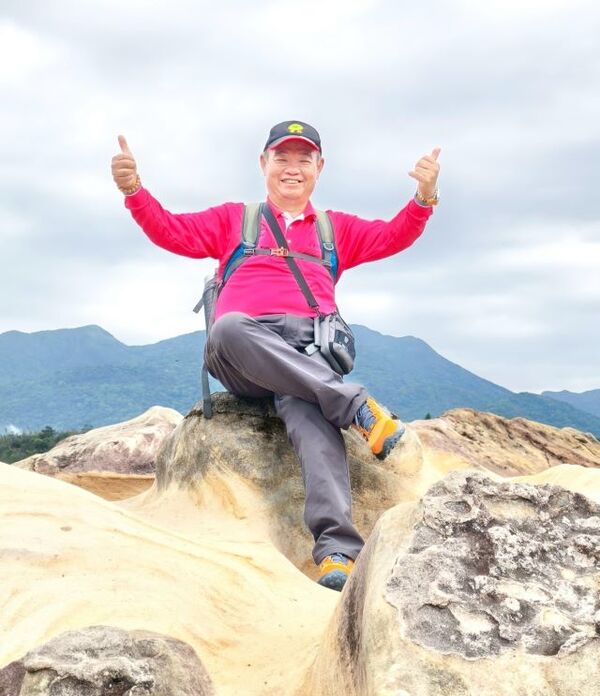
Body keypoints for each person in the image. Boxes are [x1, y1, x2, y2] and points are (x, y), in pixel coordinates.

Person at [111, 121, 440, 591]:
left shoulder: (334, 229)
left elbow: (393, 235)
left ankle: (339, 552)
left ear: (319, 168)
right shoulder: (235, 219)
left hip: (310, 352)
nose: (292, 168)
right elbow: (171, 231)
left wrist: (424, 197)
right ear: (263, 163)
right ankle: (356, 408)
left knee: (310, 412)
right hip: (243, 349)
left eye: (304, 159)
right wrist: (134, 190)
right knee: (229, 326)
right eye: (281, 157)